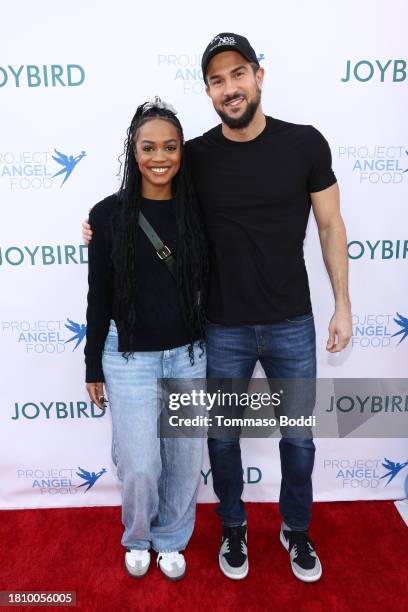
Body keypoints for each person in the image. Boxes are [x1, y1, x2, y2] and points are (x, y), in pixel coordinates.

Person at [83, 33, 352, 583]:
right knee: (221, 441)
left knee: (298, 438)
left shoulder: (305, 144)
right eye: (216, 80)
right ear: (207, 91)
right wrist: (100, 225)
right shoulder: (197, 155)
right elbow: (147, 193)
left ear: (258, 75)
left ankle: (295, 530)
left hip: (292, 324)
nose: (229, 88)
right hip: (221, 330)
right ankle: (234, 528)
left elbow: (330, 225)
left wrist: (342, 306)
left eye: (237, 74)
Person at [84, 97, 208, 581]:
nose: (160, 156)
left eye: (170, 146)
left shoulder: (201, 211)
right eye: (148, 147)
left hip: (188, 356)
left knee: (182, 459)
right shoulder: (108, 214)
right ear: (133, 152)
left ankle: (172, 537)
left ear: (182, 152)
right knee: (139, 462)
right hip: (128, 356)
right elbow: (99, 295)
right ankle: (137, 536)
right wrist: (93, 363)